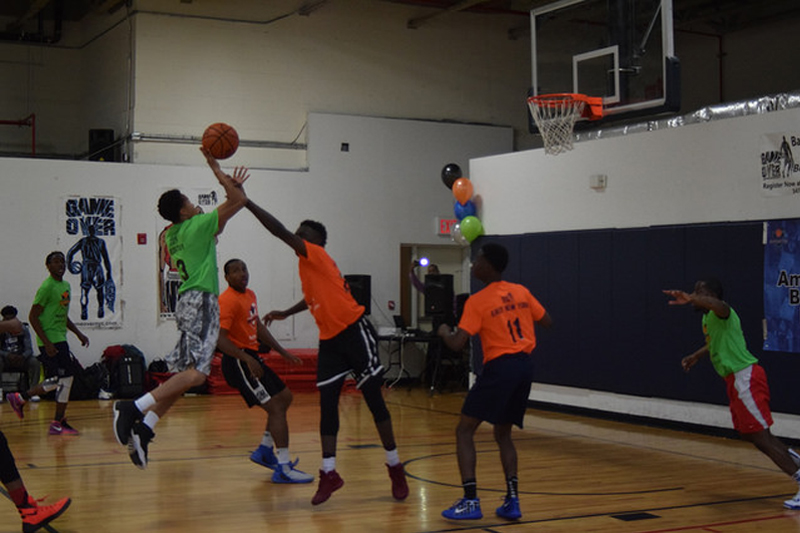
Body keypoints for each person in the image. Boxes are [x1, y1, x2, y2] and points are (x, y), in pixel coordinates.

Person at [244, 198, 409, 505]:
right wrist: (285, 312)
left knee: (375, 402)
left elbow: (278, 231)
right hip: (331, 340)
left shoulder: (316, 253)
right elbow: (312, 299)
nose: (297, 236)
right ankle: (329, 472)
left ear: (317, 241)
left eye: (302, 234)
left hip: (355, 331)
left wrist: (246, 203)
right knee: (328, 405)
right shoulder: (307, 265)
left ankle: (395, 466)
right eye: (298, 233)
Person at [112, 147, 248, 469]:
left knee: (184, 376)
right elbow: (238, 204)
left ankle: (145, 429)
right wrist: (215, 167)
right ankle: (133, 407)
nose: (191, 202)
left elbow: (219, 224)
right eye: (187, 200)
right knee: (198, 376)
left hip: (186, 301)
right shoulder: (194, 226)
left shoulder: (171, 234)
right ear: (183, 211)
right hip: (201, 299)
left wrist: (223, 198)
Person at [437, 242, 552, 521]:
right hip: (524, 367)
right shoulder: (521, 291)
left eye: (477, 259)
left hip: (500, 367)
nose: (474, 264)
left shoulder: (477, 301)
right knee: (503, 434)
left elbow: (456, 344)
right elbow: (547, 320)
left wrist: (442, 331)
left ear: (488, 264)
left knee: (464, 431)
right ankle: (512, 501)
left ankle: (470, 500)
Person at [663, 278, 800, 510]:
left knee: (761, 436)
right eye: (695, 291)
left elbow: (722, 307)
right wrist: (696, 355)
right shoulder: (708, 318)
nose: (696, 294)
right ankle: (795, 462)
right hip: (735, 380)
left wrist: (691, 297)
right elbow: (715, 342)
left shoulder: (722, 311)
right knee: (751, 435)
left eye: (700, 291)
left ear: (711, 296)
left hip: (745, 378)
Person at [217, 258, 313, 483]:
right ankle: (283, 468)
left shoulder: (250, 295)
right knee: (276, 408)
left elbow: (257, 326)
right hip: (238, 361)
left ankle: (264, 450)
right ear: (227, 277)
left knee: (285, 397)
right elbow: (220, 340)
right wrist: (245, 359)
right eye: (236, 271)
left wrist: (282, 351)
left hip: (251, 357)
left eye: (245, 268)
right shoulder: (227, 301)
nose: (242, 273)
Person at [8, 252, 89, 435]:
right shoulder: (46, 287)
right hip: (50, 340)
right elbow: (33, 317)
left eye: (62, 261)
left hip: (61, 338)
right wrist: (46, 342)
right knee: (62, 379)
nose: (60, 264)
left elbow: (63, 315)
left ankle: (57, 421)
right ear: (48, 266)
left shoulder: (65, 285)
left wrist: (78, 333)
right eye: (56, 261)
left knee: (66, 379)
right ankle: (21, 397)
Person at [0, 305, 40, 396]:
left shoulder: (23, 329)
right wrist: (7, 355)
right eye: (7, 320)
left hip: (21, 358)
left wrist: (23, 356)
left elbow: (29, 349)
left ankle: (33, 392)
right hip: (5, 359)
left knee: (35, 362)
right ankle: (0, 392)